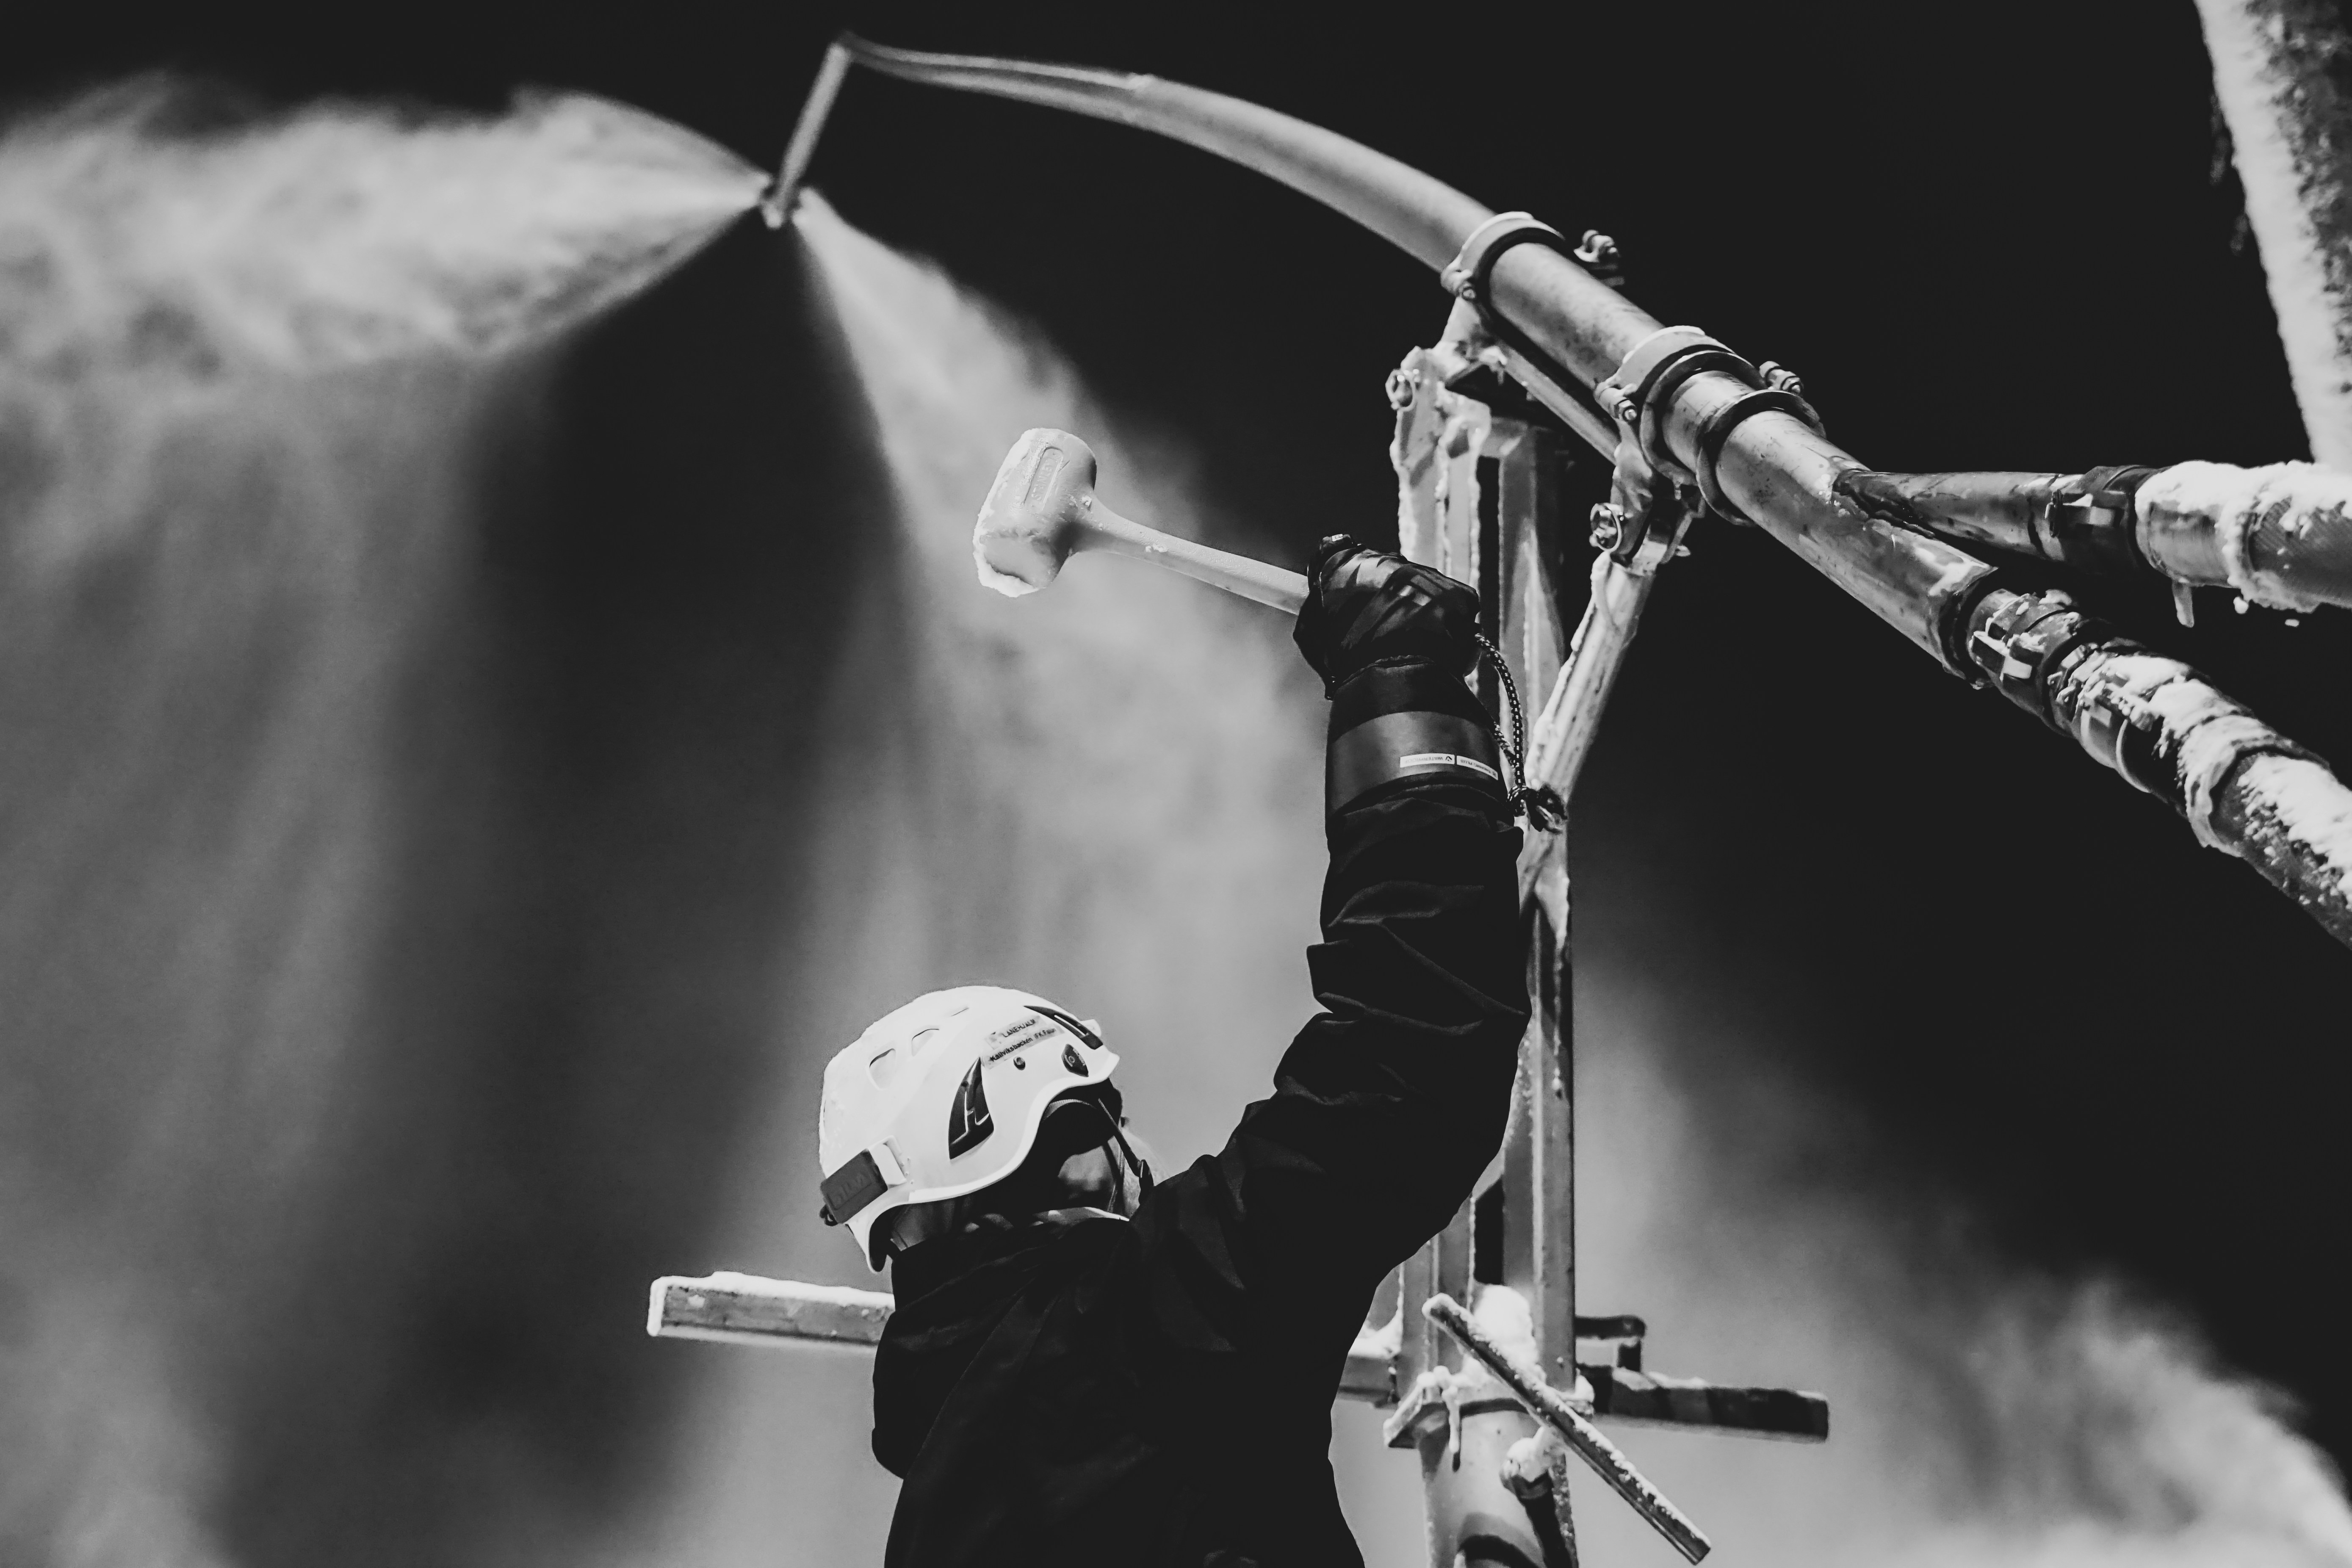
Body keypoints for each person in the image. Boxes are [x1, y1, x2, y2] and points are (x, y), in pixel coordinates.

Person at [815, 537, 1532, 1567]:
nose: (1133, 1153)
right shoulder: (1128, 1331)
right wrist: (1401, 690)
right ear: (1042, 1130)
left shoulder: (939, 1510)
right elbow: (1405, 1060)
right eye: (1097, 1116)